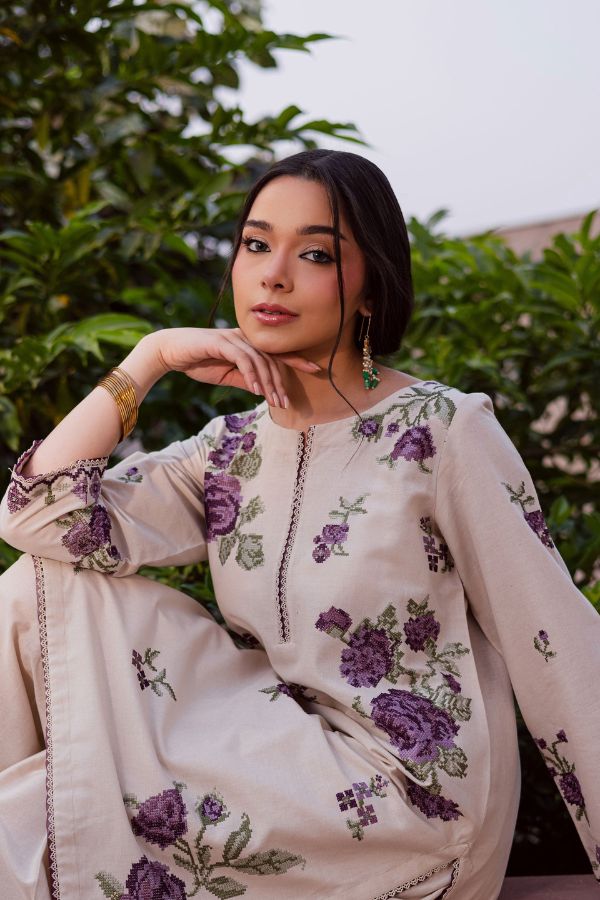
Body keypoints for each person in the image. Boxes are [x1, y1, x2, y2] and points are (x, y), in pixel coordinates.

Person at [0, 149, 598, 900]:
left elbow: (557, 647)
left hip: (404, 805)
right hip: (270, 755)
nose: (272, 274)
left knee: (25, 834)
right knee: (37, 589)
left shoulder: (443, 432)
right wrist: (147, 359)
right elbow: (38, 514)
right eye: (255, 245)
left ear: (370, 289)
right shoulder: (232, 449)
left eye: (313, 253)